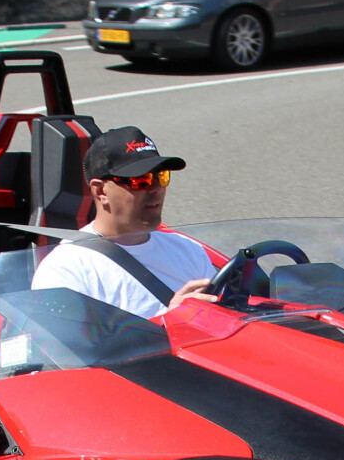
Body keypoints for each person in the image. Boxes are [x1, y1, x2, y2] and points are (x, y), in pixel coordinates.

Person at [31, 126, 217, 318]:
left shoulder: (188, 250)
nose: (155, 189)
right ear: (101, 191)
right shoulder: (66, 269)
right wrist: (169, 321)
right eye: (140, 180)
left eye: (161, 176)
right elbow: (70, 346)